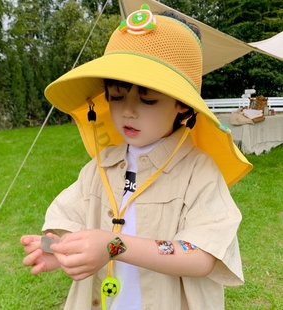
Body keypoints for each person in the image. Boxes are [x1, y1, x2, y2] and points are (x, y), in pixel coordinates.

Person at [20, 4, 252, 310]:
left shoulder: (198, 171)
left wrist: (114, 245)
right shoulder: (100, 168)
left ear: (182, 105)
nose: (128, 109)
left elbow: (201, 255)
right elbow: (71, 223)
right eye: (117, 95)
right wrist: (56, 248)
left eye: (147, 98)